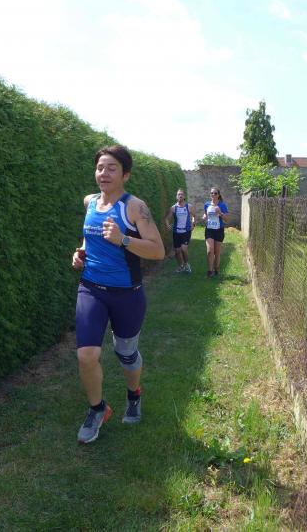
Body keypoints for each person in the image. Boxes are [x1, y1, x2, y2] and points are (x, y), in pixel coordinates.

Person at [71, 145, 165, 444]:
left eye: (112, 168)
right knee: (86, 355)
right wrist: (81, 252)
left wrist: (123, 239)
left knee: (126, 354)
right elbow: (90, 236)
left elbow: (158, 250)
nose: (104, 173)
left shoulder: (134, 207)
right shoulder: (90, 202)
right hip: (91, 288)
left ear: (125, 175)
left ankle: (134, 395)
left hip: (127, 294)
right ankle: (98, 409)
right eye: (100, 167)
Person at [163, 189, 195, 273]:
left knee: (184, 249)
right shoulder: (173, 208)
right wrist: (167, 224)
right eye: (178, 194)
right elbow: (167, 218)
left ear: (184, 196)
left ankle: (187, 264)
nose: (180, 196)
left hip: (186, 231)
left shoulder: (189, 206)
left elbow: (194, 216)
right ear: (176, 197)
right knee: (177, 251)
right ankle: (181, 266)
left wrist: (193, 223)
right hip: (176, 232)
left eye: (181, 194)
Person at [202, 186, 229, 278]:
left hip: (219, 230)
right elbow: (205, 214)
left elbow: (227, 220)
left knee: (217, 253)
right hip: (209, 230)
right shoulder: (206, 204)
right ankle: (210, 271)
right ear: (210, 195)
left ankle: (216, 269)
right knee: (210, 251)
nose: (213, 194)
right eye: (212, 193)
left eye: (215, 193)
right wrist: (204, 217)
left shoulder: (222, 205)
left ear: (218, 195)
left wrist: (220, 213)